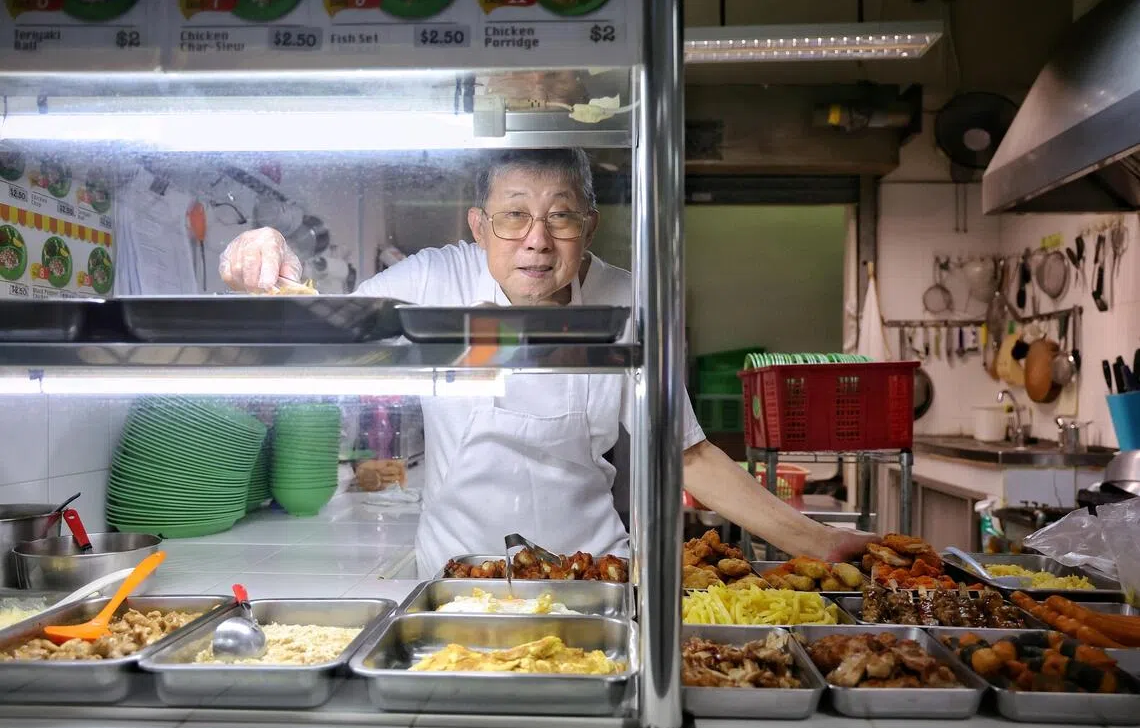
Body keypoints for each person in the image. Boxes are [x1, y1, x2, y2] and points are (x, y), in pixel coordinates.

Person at [220, 148, 876, 578]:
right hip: (456, 578)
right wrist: (274, 258)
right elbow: (327, 329)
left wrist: (818, 542)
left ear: (589, 226)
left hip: (592, 575)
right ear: (478, 228)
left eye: (559, 217)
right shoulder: (432, 281)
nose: (536, 239)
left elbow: (687, 454)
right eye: (513, 217)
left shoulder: (627, 300)